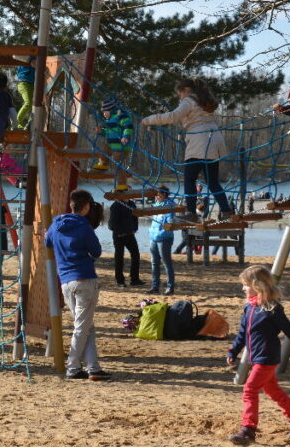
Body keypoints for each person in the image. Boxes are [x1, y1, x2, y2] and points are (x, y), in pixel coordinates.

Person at [226, 265, 290, 444]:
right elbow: (243, 334)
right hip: (256, 357)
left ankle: (248, 430)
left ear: (257, 285)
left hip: (267, 358)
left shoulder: (273, 309)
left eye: (245, 285)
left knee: (250, 389)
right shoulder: (249, 308)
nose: (243, 288)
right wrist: (233, 351)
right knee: (273, 390)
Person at [141, 78, 234, 223]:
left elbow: (172, 117)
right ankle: (226, 210)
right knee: (213, 182)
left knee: (190, 179)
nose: (179, 97)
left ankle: (191, 212)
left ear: (186, 90)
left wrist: (148, 120)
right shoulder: (204, 101)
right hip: (214, 141)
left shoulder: (189, 101)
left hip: (199, 142)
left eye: (180, 94)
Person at [45, 189, 111, 381]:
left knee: (85, 325)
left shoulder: (56, 223)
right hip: (84, 279)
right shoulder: (84, 226)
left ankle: (93, 367)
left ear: (71, 204)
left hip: (65, 281)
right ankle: (73, 367)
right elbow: (97, 252)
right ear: (87, 207)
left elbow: (47, 242)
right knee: (82, 327)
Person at [93, 97, 134, 192]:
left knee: (117, 166)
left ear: (111, 110)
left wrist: (125, 136)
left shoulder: (121, 116)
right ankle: (103, 164)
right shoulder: (109, 120)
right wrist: (100, 132)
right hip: (111, 145)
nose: (103, 114)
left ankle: (122, 185)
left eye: (105, 111)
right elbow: (108, 133)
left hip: (121, 147)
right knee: (103, 150)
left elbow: (128, 126)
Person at [148, 186, 176, 294]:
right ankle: (155, 286)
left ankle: (170, 286)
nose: (156, 197)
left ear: (164, 195)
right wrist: (150, 232)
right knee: (154, 263)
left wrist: (161, 233)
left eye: (158, 194)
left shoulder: (169, 206)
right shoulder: (155, 206)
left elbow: (170, 222)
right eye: (155, 195)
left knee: (166, 263)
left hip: (164, 238)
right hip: (153, 238)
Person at [108, 198, 141, 287]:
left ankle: (135, 279)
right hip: (119, 235)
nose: (130, 194)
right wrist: (120, 232)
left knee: (136, 255)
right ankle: (120, 281)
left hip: (130, 234)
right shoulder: (115, 205)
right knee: (119, 257)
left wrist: (135, 229)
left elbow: (135, 218)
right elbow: (111, 224)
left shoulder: (132, 204)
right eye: (128, 191)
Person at [14, 56, 36, 128]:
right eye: (33, 61)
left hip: (31, 85)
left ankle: (29, 124)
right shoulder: (24, 65)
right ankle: (17, 122)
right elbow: (15, 56)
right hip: (24, 84)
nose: (35, 63)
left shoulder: (34, 68)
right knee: (28, 102)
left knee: (34, 105)